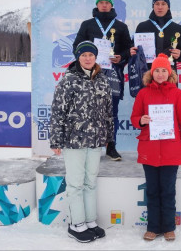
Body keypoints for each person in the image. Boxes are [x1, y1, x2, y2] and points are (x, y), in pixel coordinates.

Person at [50, 41, 113, 243]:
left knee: (90, 182)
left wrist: (109, 137)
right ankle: (76, 224)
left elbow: (108, 112)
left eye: (91, 55)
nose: (88, 58)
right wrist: (56, 140)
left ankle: (89, 220)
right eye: (84, 55)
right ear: (78, 57)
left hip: (95, 141)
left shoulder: (103, 80)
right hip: (73, 140)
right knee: (76, 183)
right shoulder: (68, 80)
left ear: (96, 58)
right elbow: (58, 111)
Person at [130, 54, 181, 241]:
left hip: (171, 151)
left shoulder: (178, 94)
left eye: (163, 70)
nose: (160, 74)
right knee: (152, 190)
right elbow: (134, 118)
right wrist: (141, 120)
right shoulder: (143, 93)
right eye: (156, 70)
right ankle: (153, 227)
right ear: (151, 72)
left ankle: (168, 227)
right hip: (149, 150)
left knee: (168, 190)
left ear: (170, 72)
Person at [73, 0, 132, 161]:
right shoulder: (87, 25)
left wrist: (121, 57)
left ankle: (112, 146)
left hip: (113, 74)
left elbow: (129, 49)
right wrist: (88, 59)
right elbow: (76, 46)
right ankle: (93, 146)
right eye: (101, 2)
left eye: (107, 2)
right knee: (90, 109)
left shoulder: (121, 26)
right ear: (97, 4)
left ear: (111, 5)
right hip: (92, 74)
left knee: (112, 111)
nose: (104, 5)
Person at [130, 0, 181, 74]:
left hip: (169, 75)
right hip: (147, 73)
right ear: (153, 6)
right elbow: (133, 48)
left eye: (163, 4)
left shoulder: (177, 29)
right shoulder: (142, 27)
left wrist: (180, 54)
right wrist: (132, 51)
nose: (160, 7)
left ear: (168, 6)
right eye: (157, 4)